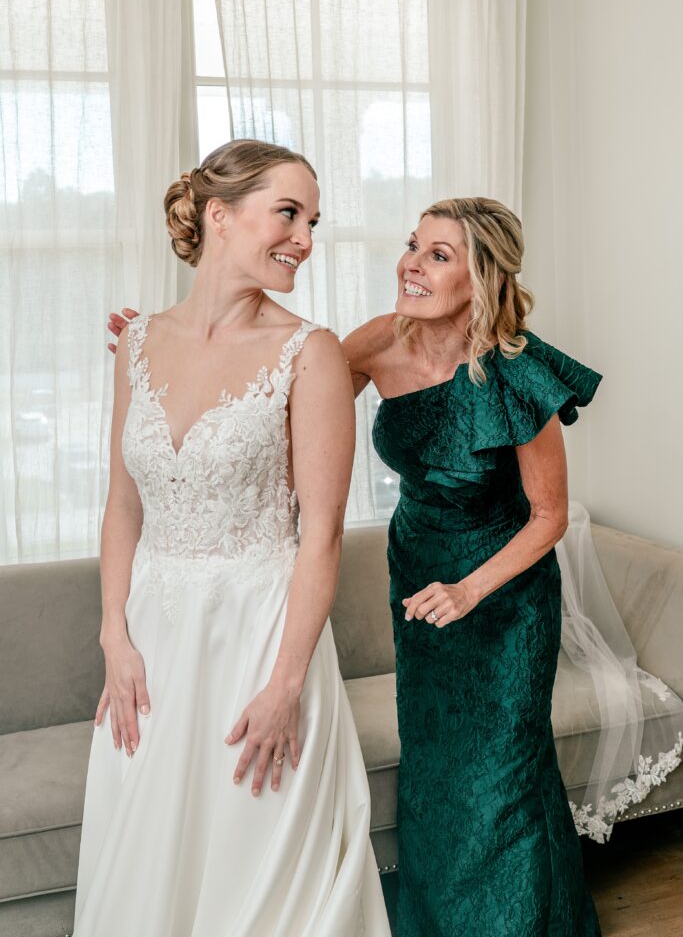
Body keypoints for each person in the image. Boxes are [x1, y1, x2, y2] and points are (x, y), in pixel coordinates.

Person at [75, 139, 391, 937]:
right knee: (148, 855)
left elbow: (320, 537)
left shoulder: (308, 353)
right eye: (288, 212)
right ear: (219, 215)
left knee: (259, 864)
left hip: (260, 639)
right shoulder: (139, 343)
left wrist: (287, 686)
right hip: (150, 640)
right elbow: (122, 506)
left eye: (312, 221)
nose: (305, 239)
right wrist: (113, 633)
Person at [342, 198, 602, 935]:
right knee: (435, 767)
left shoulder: (517, 373)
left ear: (480, 275)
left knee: (502, 773)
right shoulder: (374, 344)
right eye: (411, 247)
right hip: (417, 580)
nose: (410, 265)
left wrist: (470, 589)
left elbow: (549, 515)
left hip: (502, 598)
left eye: (437, 254)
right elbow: (282, 396)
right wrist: (167, 349)